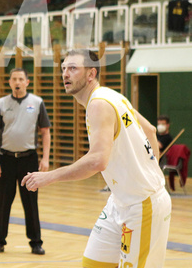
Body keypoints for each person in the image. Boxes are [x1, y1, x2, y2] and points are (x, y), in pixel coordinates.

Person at [22, 49, 172, 268]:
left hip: (143, 204)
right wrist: (151, 168)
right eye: (63, 68)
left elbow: (97, 161)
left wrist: (49, 177)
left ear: (91, 74)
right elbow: (149, 129)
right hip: (119, 202)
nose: (65, 74)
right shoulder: (112, 95)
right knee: (94, 263)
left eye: (73, 68)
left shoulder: (99, 104)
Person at [0, 68, 50, 255]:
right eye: (14, 78)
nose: (17, 81)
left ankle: (36, 242)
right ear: (9, 82)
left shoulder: (37, 103)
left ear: (27, 82)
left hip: (28, 160)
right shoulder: (1, 103)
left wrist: (45, 159)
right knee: (3, 202)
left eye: (21, 79)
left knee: (31, 202)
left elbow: (45, 131)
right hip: (6, 159)